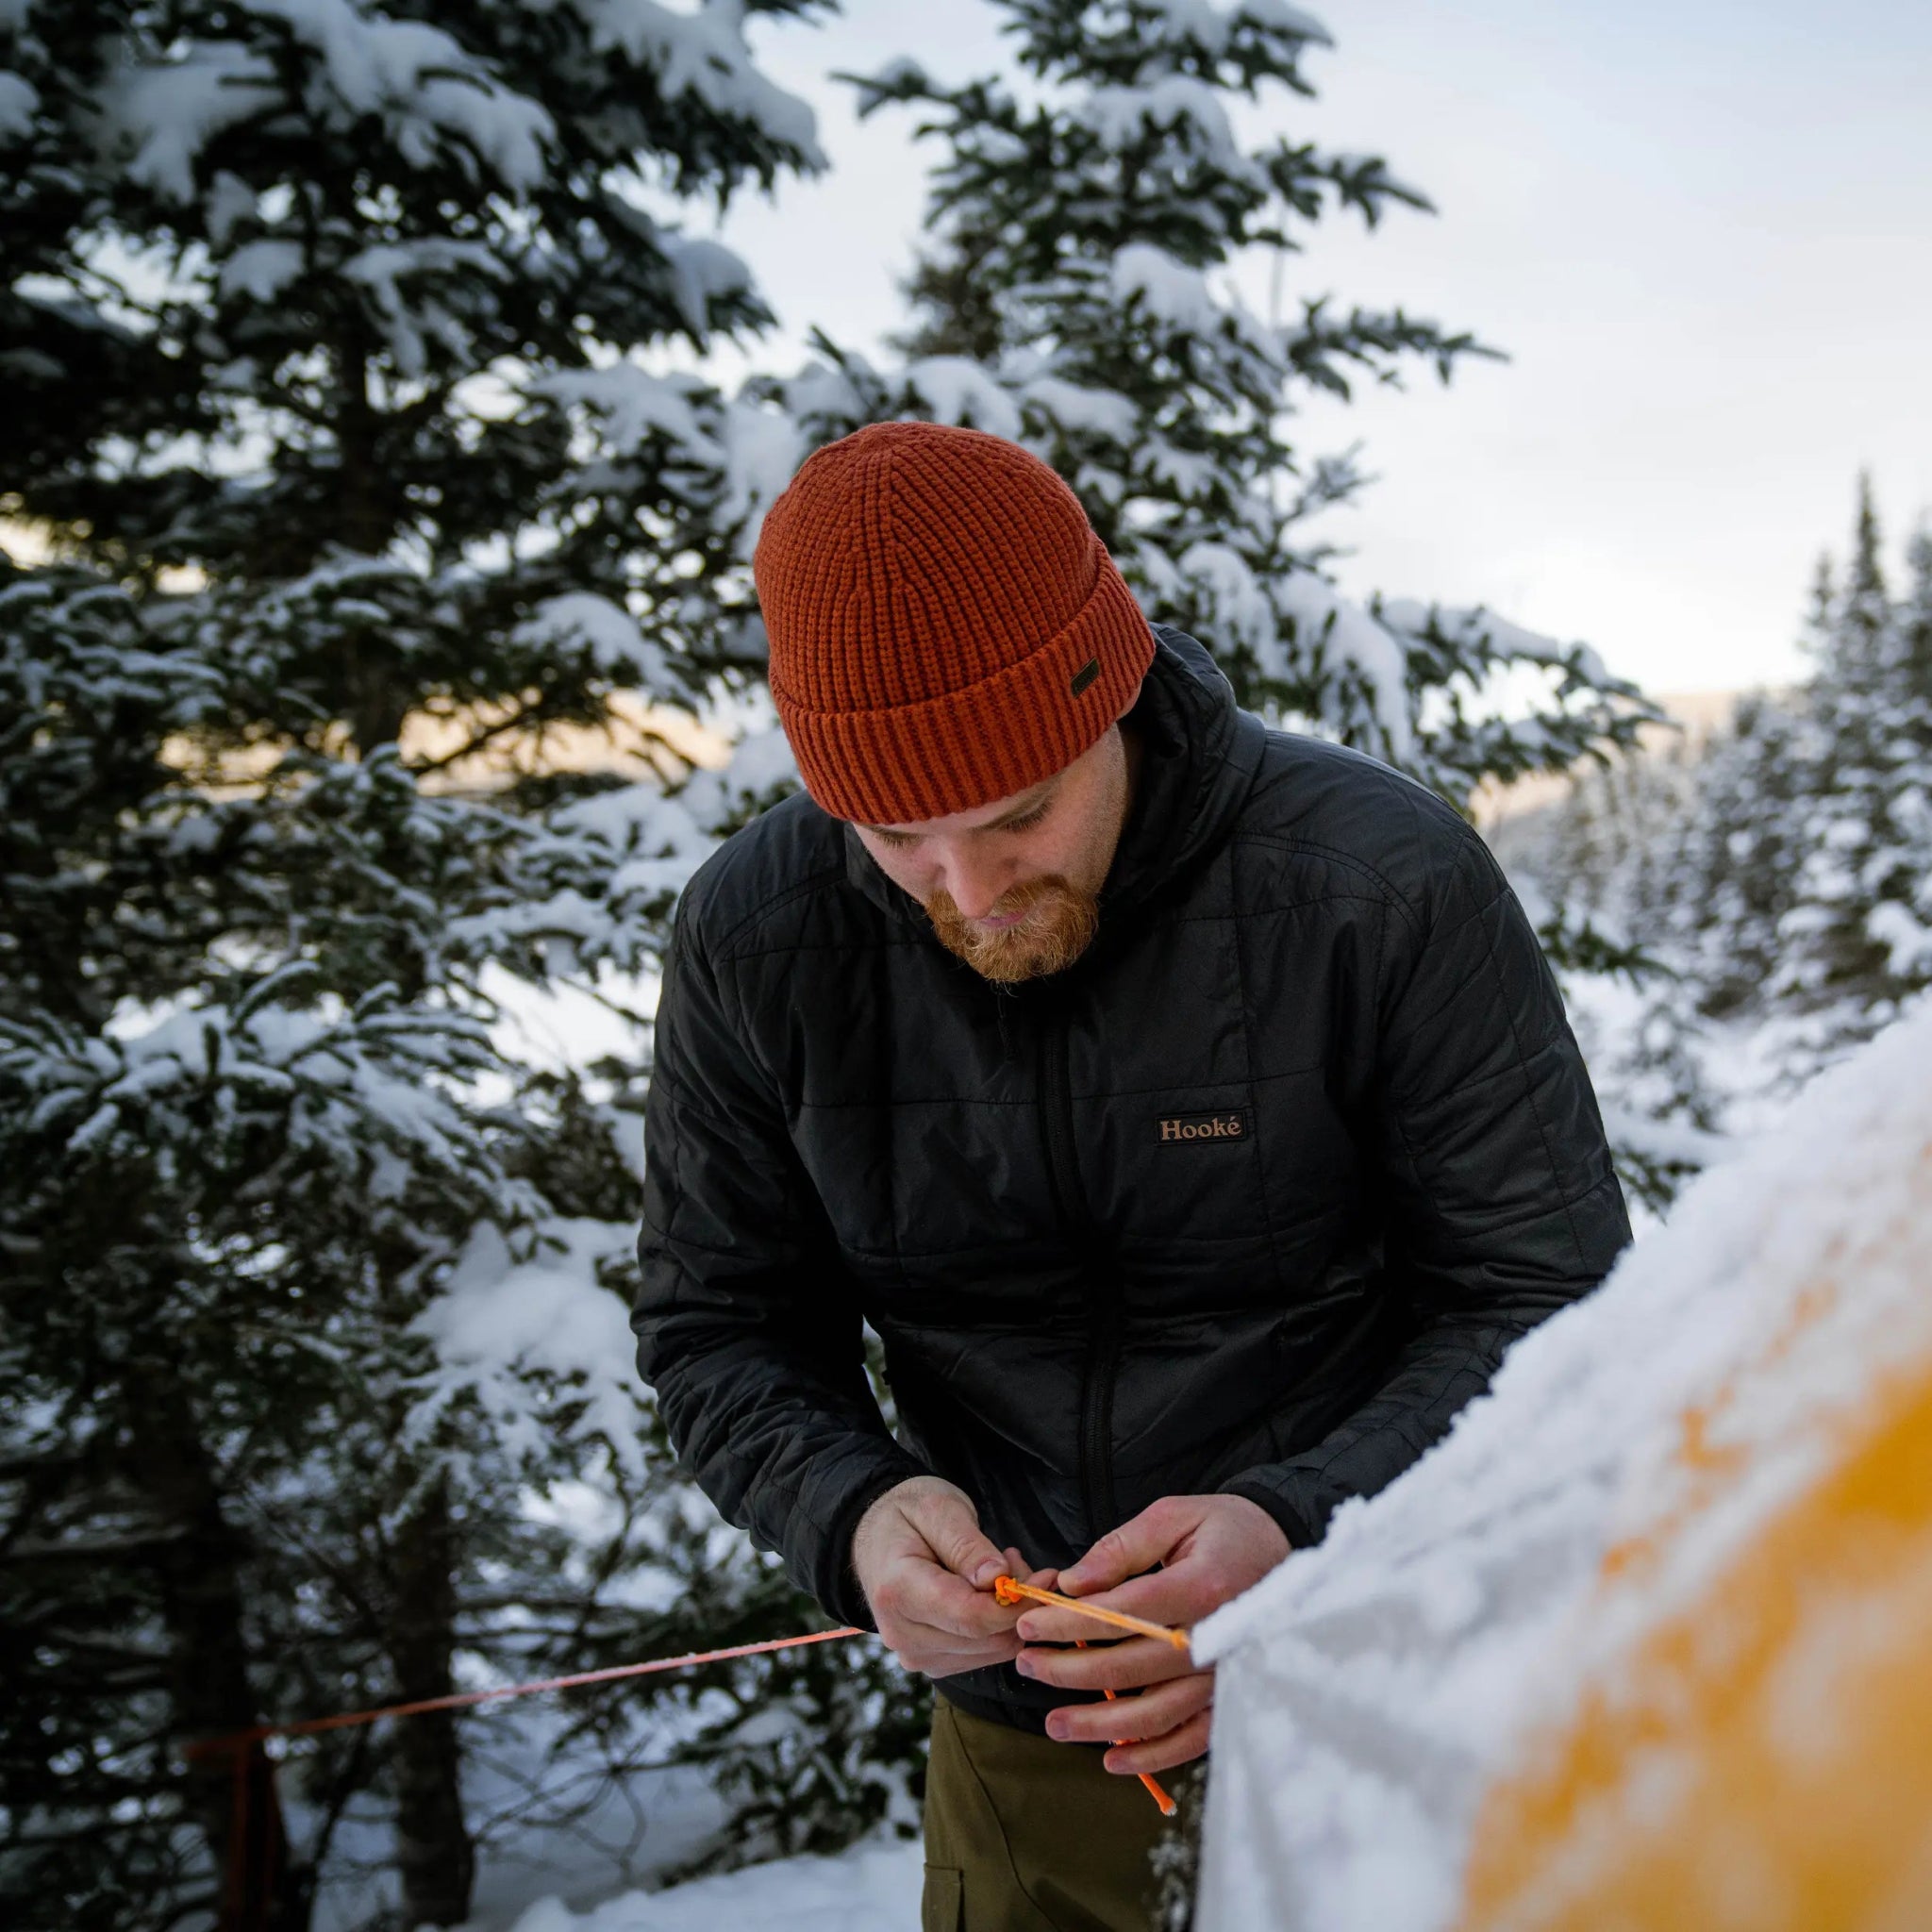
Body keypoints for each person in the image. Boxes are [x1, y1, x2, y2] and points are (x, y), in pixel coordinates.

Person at [633, 421, 1629, 1931]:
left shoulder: (1378, 888)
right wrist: (850, 1506)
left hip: (1408, 1695)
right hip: (1038, 1755)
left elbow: (1553, 1302)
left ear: (1112, 697)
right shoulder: (756, 940)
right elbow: (719, 1326)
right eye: (898, 833)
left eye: (1020, 812)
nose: (968, 893)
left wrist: (1303, 1535)